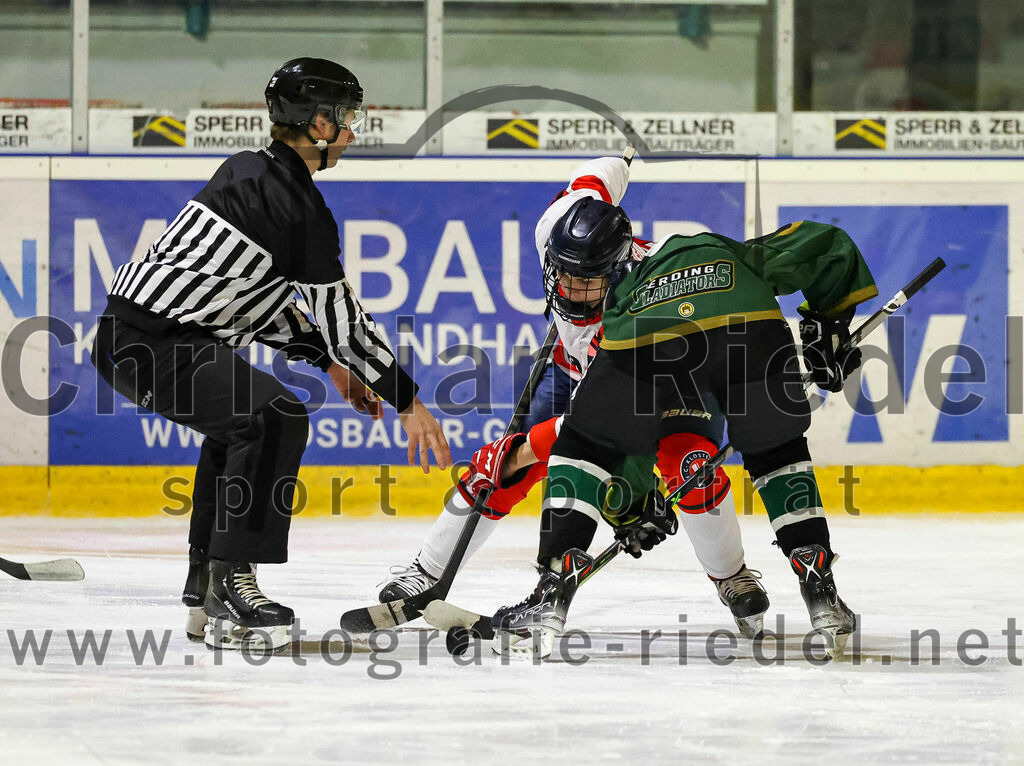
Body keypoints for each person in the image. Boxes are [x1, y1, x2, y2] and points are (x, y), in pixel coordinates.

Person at [91, 57, 451, 653]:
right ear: (318, 124)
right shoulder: (297, 208)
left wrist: (330, 364)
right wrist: (408, 401)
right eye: (347, 119)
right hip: (152, 343)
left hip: (136, 337)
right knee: (272, 416)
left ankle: (207, 587)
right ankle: (232, 585)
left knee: (240, 425)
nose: (352, 132)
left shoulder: (247, 170)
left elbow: (253, 301)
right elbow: (343, 322)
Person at [378, 156, 770, 639]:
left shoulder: (649, 309)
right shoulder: (556, 226)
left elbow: (605, 430)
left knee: (687, 465)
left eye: (587, 282)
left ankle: (732, 576)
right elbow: (597, 177)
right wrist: (623, 156)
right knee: (501, 462)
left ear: (618, 272)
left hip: (676, 387)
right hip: (574, 372)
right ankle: (426, 572)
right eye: (562, 275)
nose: (569, 289)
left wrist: (629, 500)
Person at [492, 206, 876, 660]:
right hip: (752, 325)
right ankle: (820, 588)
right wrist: (828, 325)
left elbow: (627, 429)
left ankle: (553, 588)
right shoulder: (723, 252)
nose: (574, 286)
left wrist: (633, 504)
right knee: (778, 452)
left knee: (581, 447)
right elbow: (822, 245)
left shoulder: (626, 297)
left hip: (650, 336)